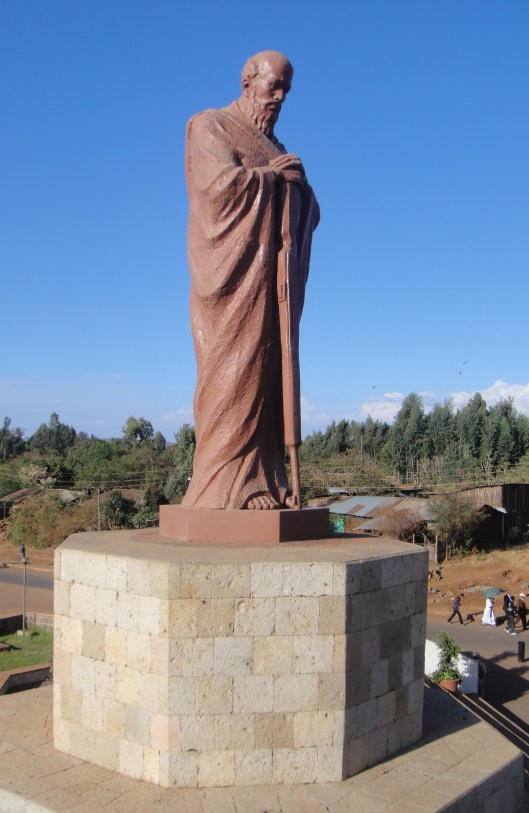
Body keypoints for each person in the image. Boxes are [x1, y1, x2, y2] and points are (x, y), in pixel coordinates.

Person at [181, 51, 319, 510]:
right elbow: (216, 189)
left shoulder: (279, 149)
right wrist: (269, 179)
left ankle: (266, 474)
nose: (280, 97)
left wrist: (297, 187)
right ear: (247, 82)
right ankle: (227, 483)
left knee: (266, 371)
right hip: (231, 282)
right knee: (234, 371)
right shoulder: (210, 125)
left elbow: (311, 215)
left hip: (270, 282)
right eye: (273, 86)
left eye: (287, 90)